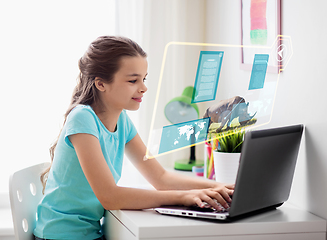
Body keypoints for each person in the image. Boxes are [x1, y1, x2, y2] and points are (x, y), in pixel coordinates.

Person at [33, 36, 234, 240]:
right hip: (59, 235)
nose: (143, 87)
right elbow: (110, 197)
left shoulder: (122, 120)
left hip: (89, 233)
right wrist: (184, 197)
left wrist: (218, 187)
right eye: (133, 80)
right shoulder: (82, 118)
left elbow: (161, 178)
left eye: (144, 79)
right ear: (101, 84)